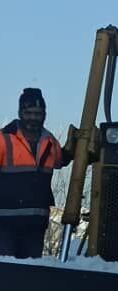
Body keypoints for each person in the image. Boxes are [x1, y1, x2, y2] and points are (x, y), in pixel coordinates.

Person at [0, 88, 71, 258]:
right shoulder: (4, 139)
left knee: (30, 275)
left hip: (35, 224)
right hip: (4, 223)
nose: (33, 118)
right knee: (6, 273)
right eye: (28, 113)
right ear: (20, 113)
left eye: (38, 114)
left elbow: (62, 159)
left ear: (44, 115)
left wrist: (80, 146)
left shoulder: (50, 141)